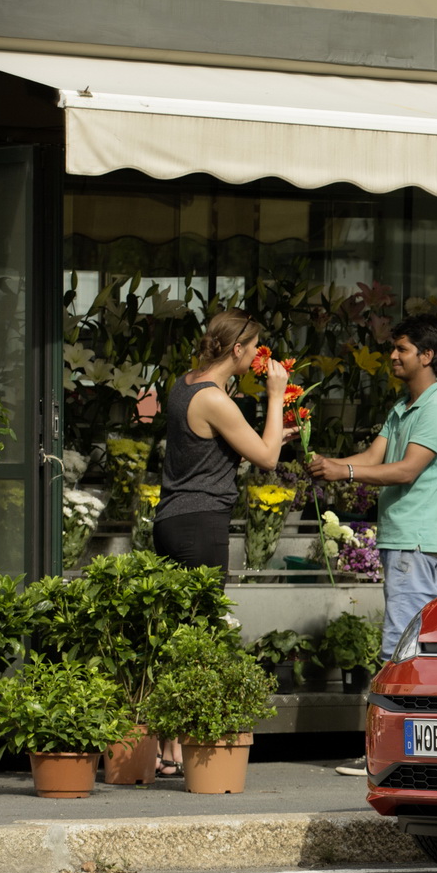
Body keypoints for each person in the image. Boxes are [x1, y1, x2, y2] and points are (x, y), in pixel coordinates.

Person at [310, 313, 437, 777]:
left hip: (414, 542)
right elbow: (375, 456)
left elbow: (405, 470)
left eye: (401, 349)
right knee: (416, 646)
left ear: (427, 355)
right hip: (404, 542)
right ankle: (417, 749)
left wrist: (345, 472)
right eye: (393, 348)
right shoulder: (404, 406)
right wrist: (330, 464)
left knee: (401, 648)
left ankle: (389, 754)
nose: (392, 357)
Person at [152, 308, 288, 776]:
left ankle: (167, 747)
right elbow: (267, 458)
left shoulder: (185, 384)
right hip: (201, 524)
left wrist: (266, 431)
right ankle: (183, 749)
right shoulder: (215, 398)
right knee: (200, 635)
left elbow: (211, 450)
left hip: (172, 520)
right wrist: (276, 397)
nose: (258, 356)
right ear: (238, 348)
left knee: (177, 632)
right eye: (255, 348)